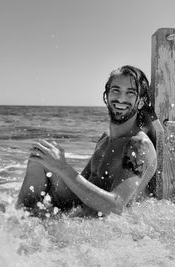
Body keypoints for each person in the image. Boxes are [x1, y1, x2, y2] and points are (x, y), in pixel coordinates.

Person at [17, 65, 157, 217]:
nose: (121, 98)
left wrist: (63, 168)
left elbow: (117, 207)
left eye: (130, 93)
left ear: (141, 102)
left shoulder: (138, 146)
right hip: (83, 208)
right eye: (116, 90)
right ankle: (19, 221)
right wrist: (55, 164)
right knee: (39, 158)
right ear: (106, 96)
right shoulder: (106, 137)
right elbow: (82, 183)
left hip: (102, 222)